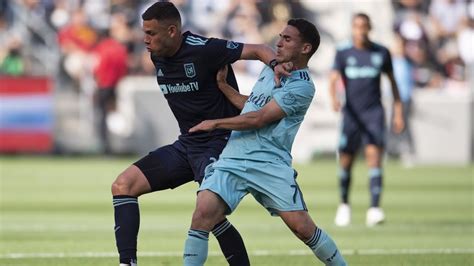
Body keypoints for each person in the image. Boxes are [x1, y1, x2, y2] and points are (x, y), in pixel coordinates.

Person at [110, 2, 290, 266]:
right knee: (123, 185)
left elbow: (260, 49)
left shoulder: (205, 49)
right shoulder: (157, 53)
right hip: (188, 145)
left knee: (209, 214)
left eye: (151, 33)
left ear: (172, 31)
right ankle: (128, 264)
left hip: (220, 143)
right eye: (144, 32)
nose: (145, 39)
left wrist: (275, 64)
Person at [183, 18, 347, 266]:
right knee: (202, 214)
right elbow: (252, 105)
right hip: (234, 158)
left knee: (303, 229)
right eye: (280, 36)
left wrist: (215, 123)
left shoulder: (303, 86)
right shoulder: (271, 69)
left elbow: (259, 118)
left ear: (305, 49)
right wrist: (223, 87)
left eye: (287, 39)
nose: (279, 42)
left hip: (269, 164)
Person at [328, 13, 404, 227]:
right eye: (357, 26)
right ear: (352, 28)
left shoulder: (381, 52)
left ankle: (374, 208)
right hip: (351, 114)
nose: (360, 30)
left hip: (373, 113)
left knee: (374, 158)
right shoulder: (343, 52)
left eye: (364, 26)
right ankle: (344, 205)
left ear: (369, 28)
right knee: (346, 160)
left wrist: (398, 111)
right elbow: (333, 78)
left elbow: (393, 82)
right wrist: (334, 99)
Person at [92, 30, 128, 154]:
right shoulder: (120, 48)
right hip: (115, 86)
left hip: (103, 85)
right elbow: (123, 67)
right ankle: (117, 143)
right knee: (114, 114)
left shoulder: (102, 48)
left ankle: (104, 145)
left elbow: (98, 67)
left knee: (102, 115)